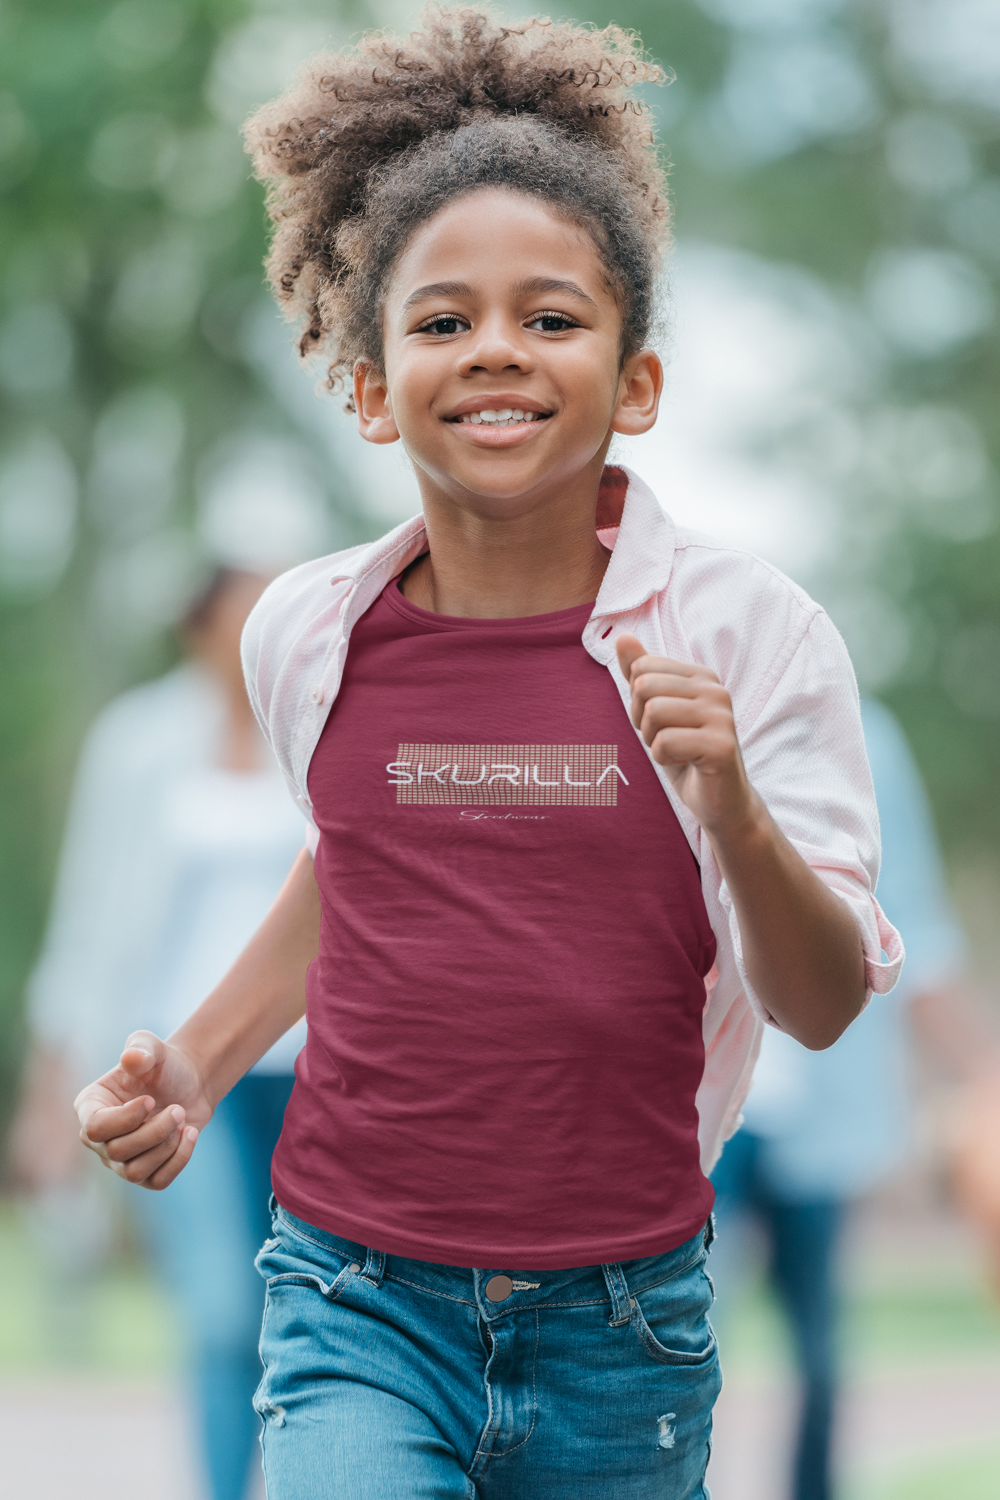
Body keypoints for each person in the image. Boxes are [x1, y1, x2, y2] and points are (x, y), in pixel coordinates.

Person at [68, 10, 903, 1497]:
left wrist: (733, 808)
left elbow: (822, 1003)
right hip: (352, 1289)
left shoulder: (757, 638)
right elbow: (357, 869)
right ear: (373, 384)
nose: (496, 351)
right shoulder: (308, 634)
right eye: (442, 320)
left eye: (553, 317)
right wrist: (194, 1062)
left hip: (623, 1317)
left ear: (634, 381)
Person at [10, 568, 307, 1500]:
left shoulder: (321, 724)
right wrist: (47, 1092)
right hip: (183, 1073)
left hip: (315, 1070)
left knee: (310, 1309)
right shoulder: (140, 743)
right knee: (224, 1307)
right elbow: (90, 918)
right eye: (246, 611)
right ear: (201, 628)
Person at [709, 696, 998, 1500]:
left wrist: (982, 1069)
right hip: (706, 1106)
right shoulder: (654, 713)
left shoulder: (866, 738)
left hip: (818, 1103)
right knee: (686, 1336)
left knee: (820, 1349)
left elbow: (913, 924)